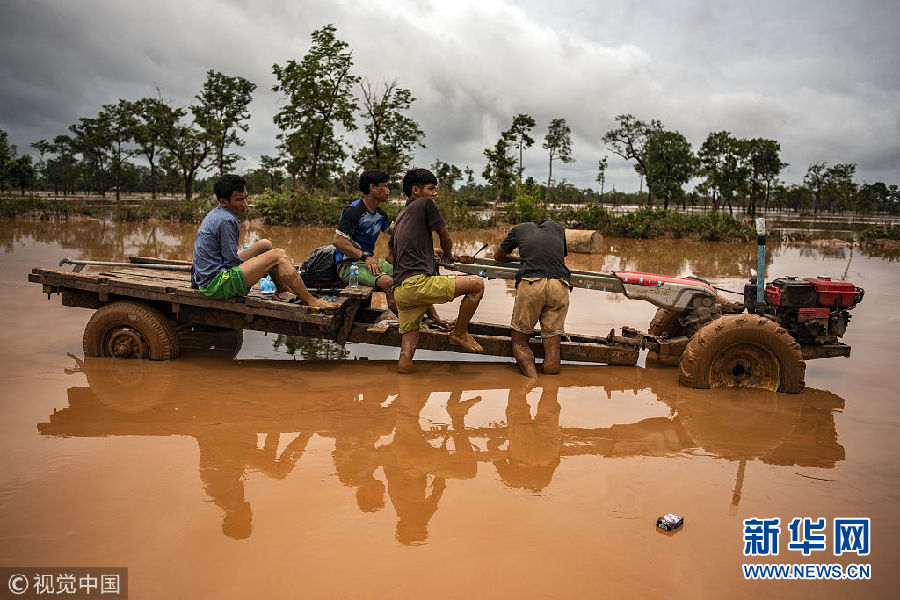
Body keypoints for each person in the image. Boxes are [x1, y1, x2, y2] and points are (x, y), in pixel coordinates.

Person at [387, 168, 485, 373]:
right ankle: (460, 332)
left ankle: (404, 386)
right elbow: (445, 236)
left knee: (406, 357)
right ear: (416, 190)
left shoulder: (398, 220)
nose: (434, 194)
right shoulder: (425, 203)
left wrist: (428, 254)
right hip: (418, 285)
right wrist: (449, 255)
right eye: (431, 189)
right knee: (477, 284)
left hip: (401, 291)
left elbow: (390, 257)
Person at [191, 174, 335, 309]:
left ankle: (281, 290)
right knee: (278, 255)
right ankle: (312, 301)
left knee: (265, 245)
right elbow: (230, 262)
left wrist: (259, 265)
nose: (245, 204)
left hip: (209, 277)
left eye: (245, 198)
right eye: (239, 200)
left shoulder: (216, 213)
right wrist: (260, 268)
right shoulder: (227, 220)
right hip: (218, 284)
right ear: (223, 201)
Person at [495, 219, 571, 377]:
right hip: (560, 285)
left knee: (520, 342)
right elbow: (557, 257)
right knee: (553, 346)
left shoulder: (518, 229)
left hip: (532, 284)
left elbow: (498, 257)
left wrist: (517, 260)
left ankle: (532, 380)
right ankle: (550, 388)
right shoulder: (558, 227)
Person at [332, 169, 397, 312]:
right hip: (348, 265)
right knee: (387, 281)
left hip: (368, 262)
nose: (388, 190)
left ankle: (424, 317)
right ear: (372, 187)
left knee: (405, 272)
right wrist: (365, 257)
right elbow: (338, 241)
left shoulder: (380, 213)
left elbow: (395, 231)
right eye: (385, 186)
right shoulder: (353, 211)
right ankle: (405, 321)